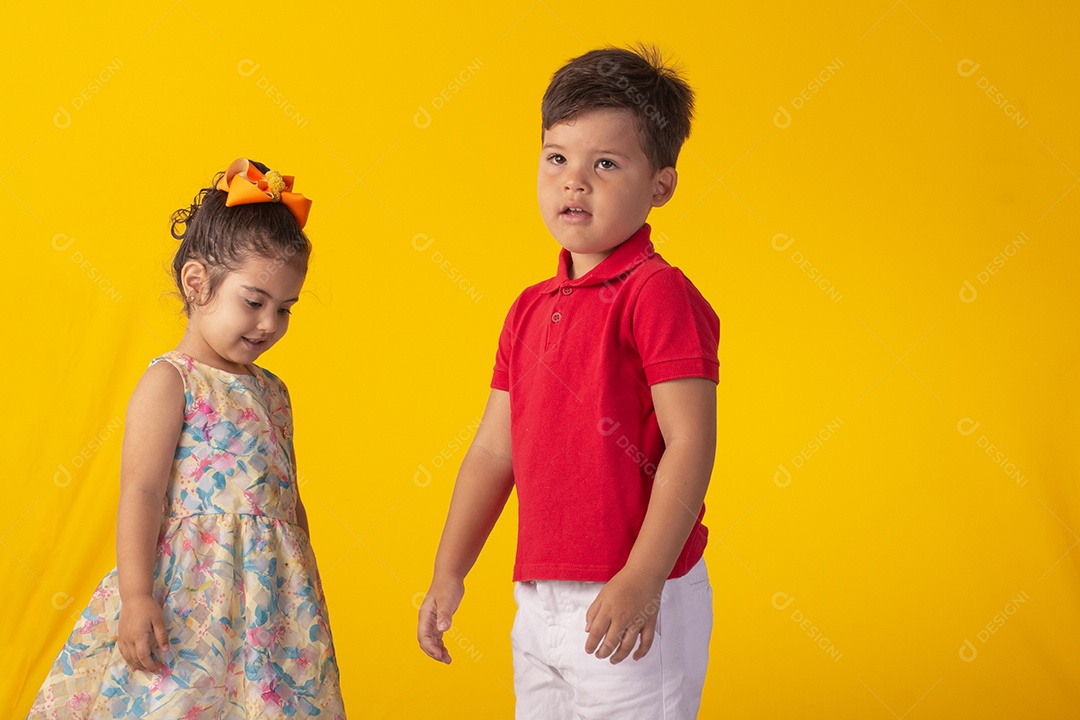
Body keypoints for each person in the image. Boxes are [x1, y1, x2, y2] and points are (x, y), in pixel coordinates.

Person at [418, 46, 720, 719]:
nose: (574, 182)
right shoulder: (528, 307)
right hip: (540, 598)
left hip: (637, 593)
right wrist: (450, 568)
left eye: (605, 165)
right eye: (557, 158)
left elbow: (691, 443)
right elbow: (494, 452)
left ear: (660, 187)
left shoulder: (657, 294)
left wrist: (642, 578)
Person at [27, 159, 346, 719]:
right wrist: (136, 595)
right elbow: (142, 491)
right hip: (191, 597)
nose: (268, 323)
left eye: (284, 309)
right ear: (197, 283)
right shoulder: (170, 381)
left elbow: (290, 505)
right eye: (253, 301)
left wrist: (307, 594)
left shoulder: (274, 392)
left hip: (272, 604)